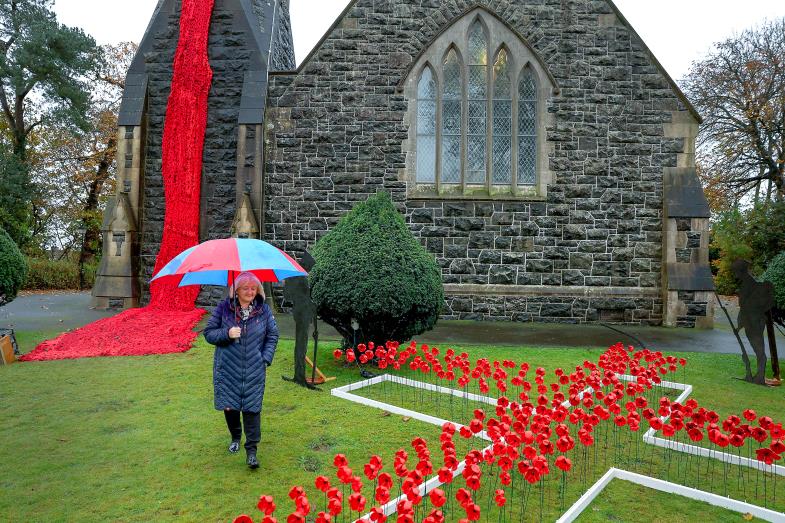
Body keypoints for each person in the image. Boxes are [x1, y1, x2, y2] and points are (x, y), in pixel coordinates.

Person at [203, 271, 278, 468]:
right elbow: (209, 334)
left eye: (253, 288)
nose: (250, 292)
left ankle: (251, 451)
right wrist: (227, 333)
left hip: (254, 368)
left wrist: (265, 358)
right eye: (245, 288)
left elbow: (272, 335)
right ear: (236, 291)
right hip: (227, 368)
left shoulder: (264, 311)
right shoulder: (223, 309)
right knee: (230, 406)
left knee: (253, 408)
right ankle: (235, 437)